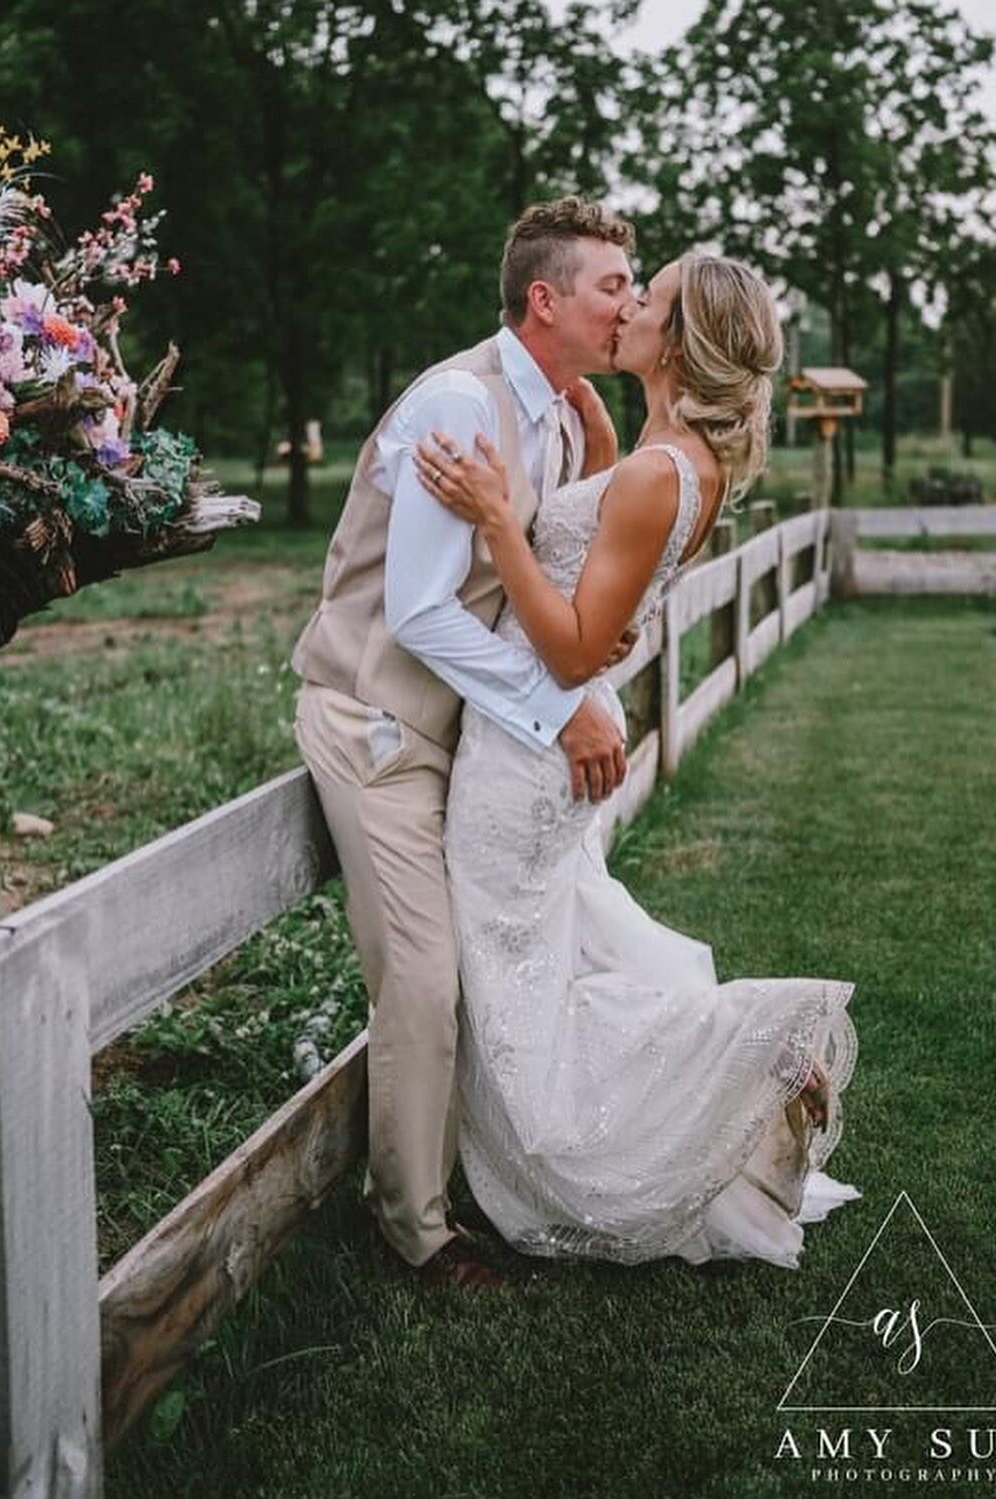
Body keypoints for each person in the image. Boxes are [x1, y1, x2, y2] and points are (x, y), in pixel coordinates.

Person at [413, 251, 860, 1269]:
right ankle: (733, 1075)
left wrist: (495, 520)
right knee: (554, 950)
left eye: (643, 300)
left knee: (514, 970)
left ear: (680, 341)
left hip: (532, 744)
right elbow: (600, 557)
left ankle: (753, 1056)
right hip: (543, 738)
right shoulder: (665, 455)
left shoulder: (666, 472)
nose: (623, 309)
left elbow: (571, 648)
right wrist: (587, 415)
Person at [292, 199, 644, 1289]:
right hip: (375, 721)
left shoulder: (556, 409)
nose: (627, 305)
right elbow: (420, 610)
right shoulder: (460, 402)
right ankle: (415, 1230)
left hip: (454, 731)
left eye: (631, 288)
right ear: (544, 299)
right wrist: (559, 709)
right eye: (610, 288)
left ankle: (467, 1181)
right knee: (423, 974)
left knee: (488, 963)